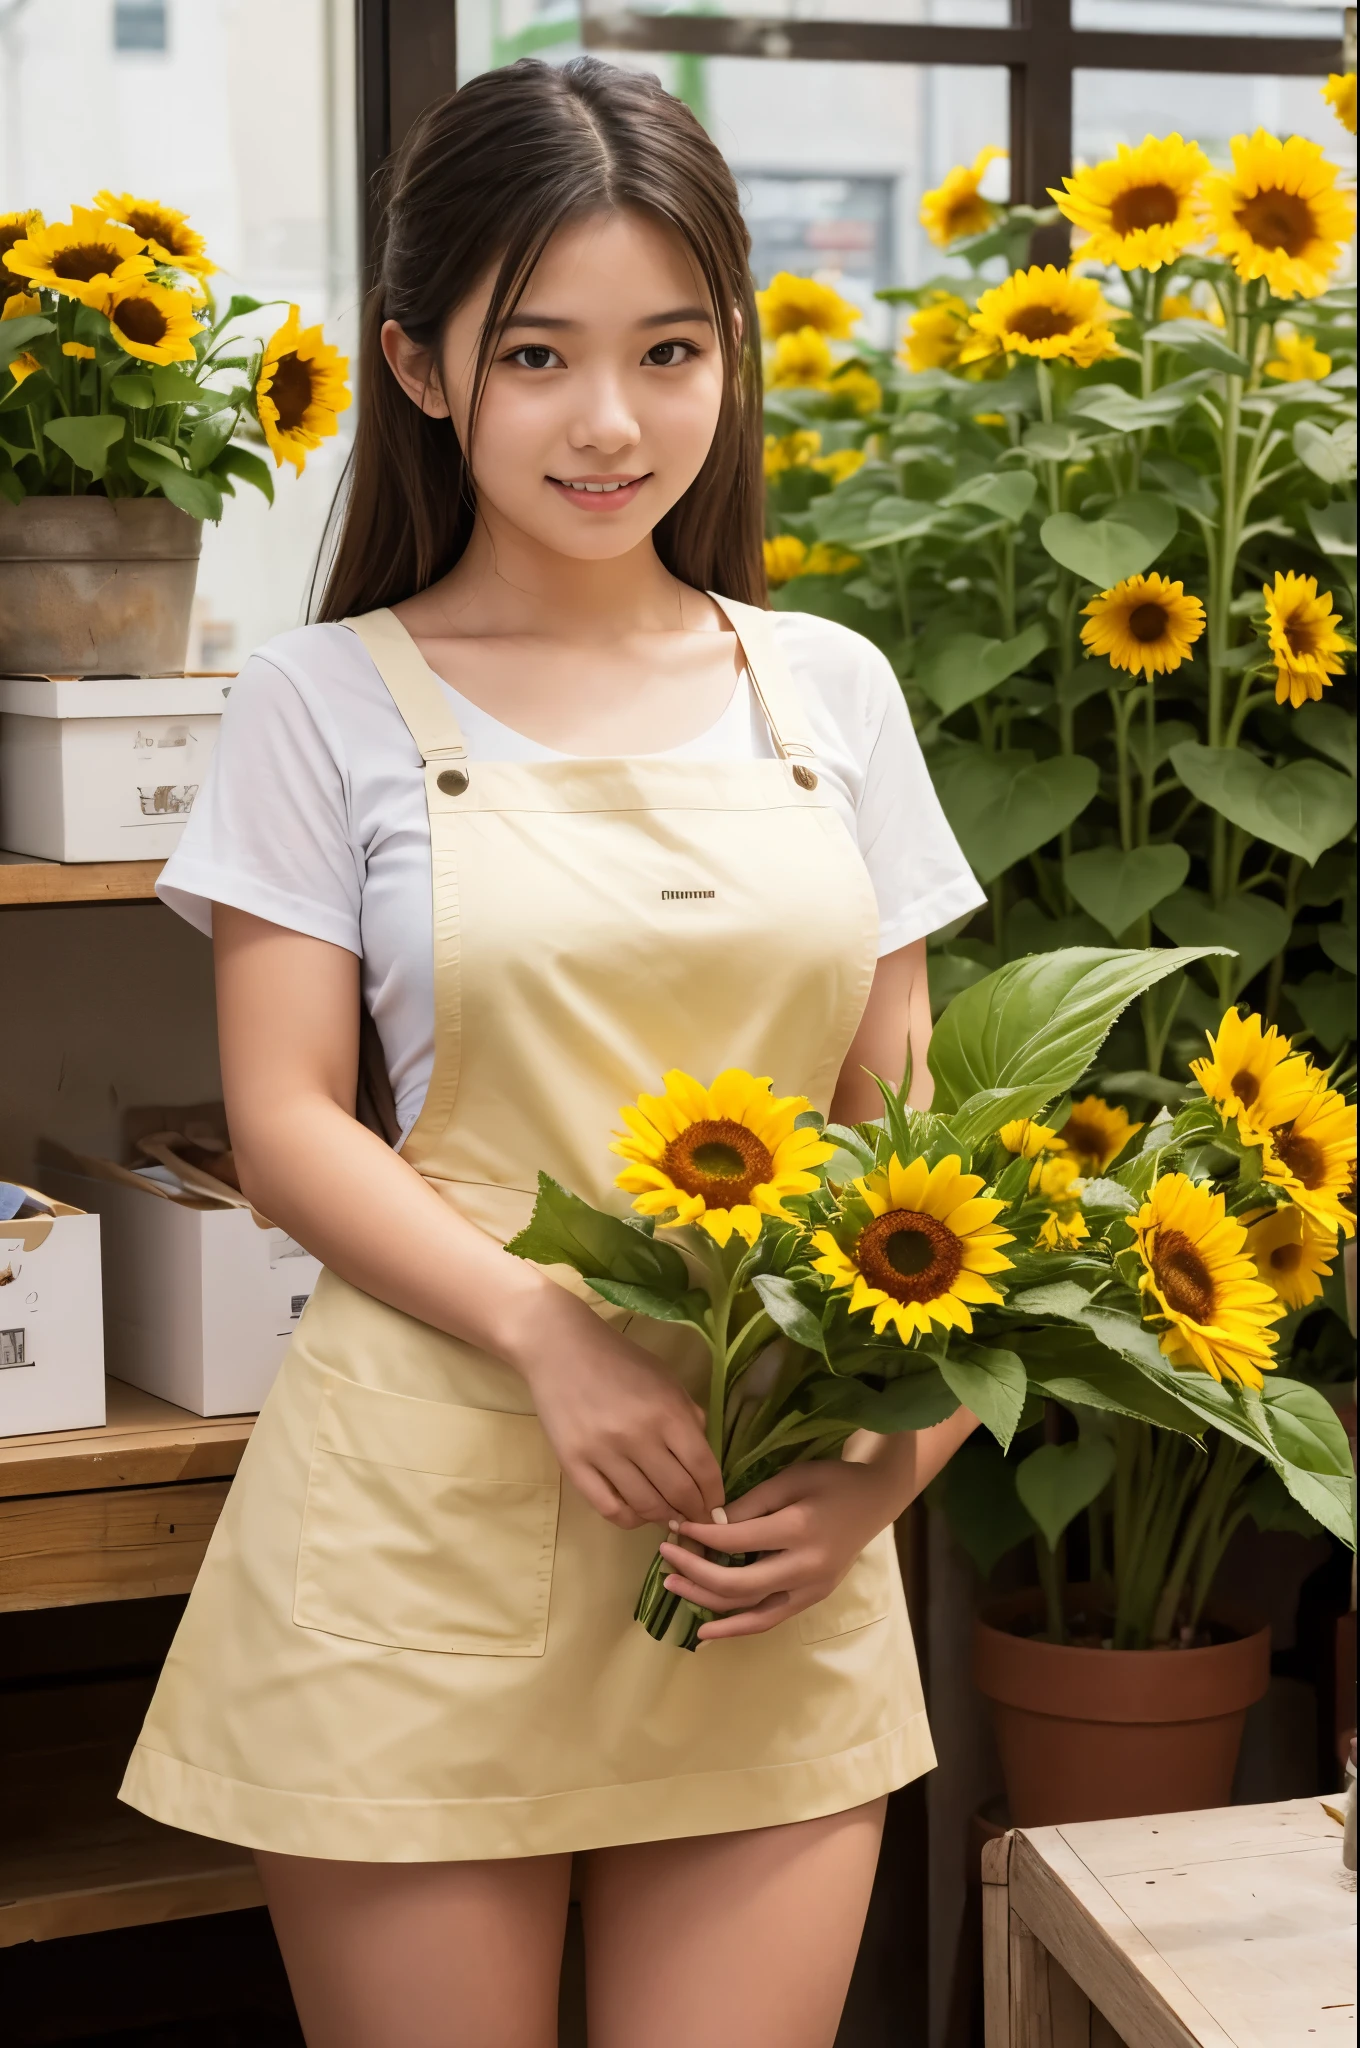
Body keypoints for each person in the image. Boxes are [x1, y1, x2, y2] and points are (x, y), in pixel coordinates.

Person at [120, 55, 987, 2048]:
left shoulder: (830, 694)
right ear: (424, 366)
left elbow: (917, 1151)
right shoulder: (320, 699)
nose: (610, 421)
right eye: (537, 354)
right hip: (421, 1518)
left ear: (728, 354)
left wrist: (882, 1471)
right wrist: (545, 1325)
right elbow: (284, 1121)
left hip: (755, 1540)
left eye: (668, 348)